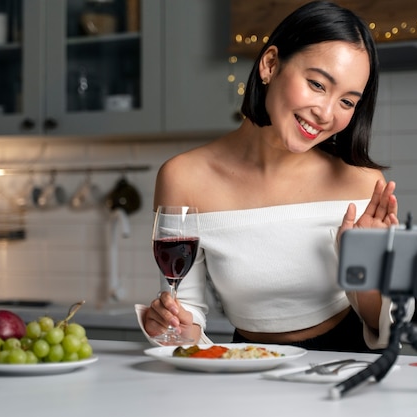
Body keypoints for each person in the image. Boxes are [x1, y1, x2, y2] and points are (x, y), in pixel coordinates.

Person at [137, 1, 403, 352]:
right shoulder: (183, 178)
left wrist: (365, 269)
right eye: (317, 84)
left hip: (346, 365)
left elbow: (382, 325)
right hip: (247, 364)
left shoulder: (364, 184)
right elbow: (187, 318)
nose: (326, 114)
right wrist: (172, 326)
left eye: (348, 102)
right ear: (270, 64)